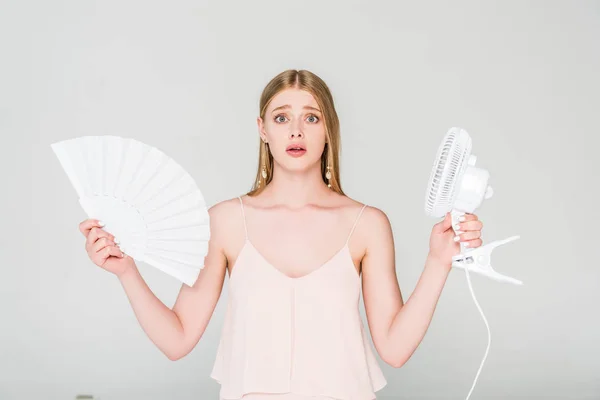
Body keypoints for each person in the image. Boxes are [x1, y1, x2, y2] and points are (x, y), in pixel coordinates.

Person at [78, 69, 484, 400]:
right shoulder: (225, 221)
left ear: (329, 129)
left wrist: (438, 262)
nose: (296, 131)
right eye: (281, 117)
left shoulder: (367, 224)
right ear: (262, 129)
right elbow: (178, 339)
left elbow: (394, 350)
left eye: (311, 117)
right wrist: (127, 272)